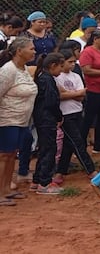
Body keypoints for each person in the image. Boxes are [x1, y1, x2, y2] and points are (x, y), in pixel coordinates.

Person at [0, 37, 37, 205]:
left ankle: (6, 188)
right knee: (4, 156)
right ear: (19, 51)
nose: (34, 51)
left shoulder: (23, 69)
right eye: (31, 48)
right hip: (7, 120)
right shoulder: (8, 70)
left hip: (21, 120)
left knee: (11, 155)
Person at [53, 49, 97, 185]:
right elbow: (58, 96)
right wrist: (75, 93)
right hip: (65, 114)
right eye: (69, 62)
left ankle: (60, 171)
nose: (73, 64)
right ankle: (91, 170)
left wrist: (68, 93)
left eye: (74, 62)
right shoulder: (56, 77)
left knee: (69, 143)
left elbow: (82, 95)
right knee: (77, 142)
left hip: (77, 111)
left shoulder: (76, 76)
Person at [31, 52, 65, 194]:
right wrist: (59, 116)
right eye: (60, 66)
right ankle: (44, 183)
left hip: (41, 118)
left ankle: (37, 180)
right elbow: (52, 102)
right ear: (52, 65)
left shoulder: (42, 77)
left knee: (44, 149)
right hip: (47, 119)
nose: (61, 70)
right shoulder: (47, 79)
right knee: (49, 150)